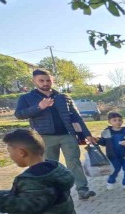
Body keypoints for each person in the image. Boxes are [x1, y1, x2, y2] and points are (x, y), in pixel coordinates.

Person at [14, 69, 98, 200]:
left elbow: (76, 117)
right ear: (34, 81)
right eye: (41, 80)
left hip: (68, 135)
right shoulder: (26, 98)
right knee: (50, 165)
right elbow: (19, 114)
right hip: (45, 137)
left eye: (48, 80)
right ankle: (55, 193)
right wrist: (39, 107)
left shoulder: (63, 97)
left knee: (74, 162)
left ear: (52, 81)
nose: (45, 83)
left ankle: (82, 189)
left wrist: (87, 134)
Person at [97, 111, 125, 190]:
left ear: (122, 121)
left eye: (119, 120)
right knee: (115, 170)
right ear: (109, 121)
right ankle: (111, 181)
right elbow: (103, 143)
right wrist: (97, 140)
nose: (118, 122)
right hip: (113, 156)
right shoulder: (106, 132)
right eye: (114, 120)